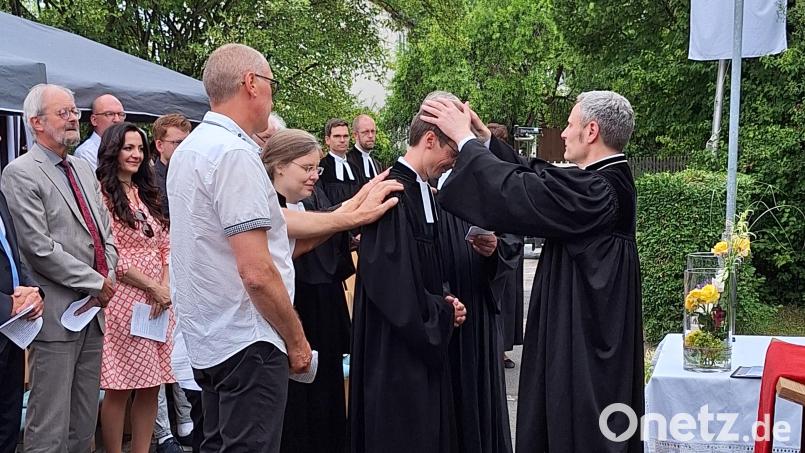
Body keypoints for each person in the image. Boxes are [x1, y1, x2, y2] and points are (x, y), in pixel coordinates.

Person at [168, 43, 400, 453]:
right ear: (251, 83)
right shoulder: (235, 154)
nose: (273, 94)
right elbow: (256, 271)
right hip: (247, 341)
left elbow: (280, 233)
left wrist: (350, 211)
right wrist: (296, 340)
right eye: (271, 84)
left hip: (209, 340)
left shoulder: (191, 150)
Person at [422, 90, 644, 452]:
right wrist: (485, 141)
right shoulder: (601, 180)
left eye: (569, 125)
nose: (563, 134)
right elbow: (540, 179)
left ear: (591, 131)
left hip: (586, 342)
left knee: (581, 427)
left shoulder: (600, 189)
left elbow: (520, 192)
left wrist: (464, 141)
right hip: (581, 328)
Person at [1, 83, 118, 453]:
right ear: (35, 122)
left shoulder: (83, 168)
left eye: (74, 111)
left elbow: (105, 231)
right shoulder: (21, 173)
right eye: (63, 112)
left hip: (92, 312)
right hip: (54, 315)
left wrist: (109, 274)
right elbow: (37, 248)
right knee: (49, 426)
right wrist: (97, 281)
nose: (73, 119)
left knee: (84, 423)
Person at [350, 91, 468, 453]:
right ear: (430, 139)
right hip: (397, 350)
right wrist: (441, 313)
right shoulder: (393, 194)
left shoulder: (423, 191)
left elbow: (425, 269)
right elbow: (392, 287)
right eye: (451, 153)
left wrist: (445, 300)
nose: (452, 163)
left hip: (422, 339)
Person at [261, 129, 352, 453]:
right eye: (308, 168)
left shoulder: (309, 197)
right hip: (294, 309)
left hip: (320, 301)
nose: (315, 176)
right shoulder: (268, 206)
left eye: (318, 169)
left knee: (324, 394)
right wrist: (355, 211)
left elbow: (325, 228)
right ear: (280, 166)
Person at [95, 122, 175, 453]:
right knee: (120, 387)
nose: (136, 155)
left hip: (158, 301)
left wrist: (165, 286)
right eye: (128, 148)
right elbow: (108, 252)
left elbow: (165, 244)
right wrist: (151, 287)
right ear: (114, 150)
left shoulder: (145, 193)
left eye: (140, 149)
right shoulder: (102, 196)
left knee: (152, 385)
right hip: (124, 299)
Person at [432, 173, 513, 453]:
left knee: (481, 395)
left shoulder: (487, 191)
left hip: (479, 309)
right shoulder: (422, 194)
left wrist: (495, 250)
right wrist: (440, 295)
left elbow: (510, 243)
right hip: (444, 311)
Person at [0, 185, 45, 453]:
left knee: (7, 426)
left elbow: (13, 256)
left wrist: (34, 292)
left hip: (12, 334)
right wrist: (8, 304)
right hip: (8, 314)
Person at [486, 123, 524, 369]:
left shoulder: (509, 168)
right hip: (495, 238)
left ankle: (502, 348)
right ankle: (496, 347)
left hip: (510, 237)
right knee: (497, 297)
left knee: (508, 298)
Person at [152, 113, 191, 218]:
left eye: (188, 142)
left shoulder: (194, 176)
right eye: (178, 143)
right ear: (160, 145)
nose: (185, 148)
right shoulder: (150, 182)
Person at [74, 94, 126, 169]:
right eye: (110, 114)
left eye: (121, 114)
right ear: (94, 120)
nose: (117, 120)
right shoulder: (86, 153)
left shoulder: (128, 148)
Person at [318, 118, 360, 205]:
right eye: (337, 136)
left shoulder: (356, 168)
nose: (342, 140)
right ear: (327, 140)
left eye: (345, 136)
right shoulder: (321, 166)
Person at [347, 114, 383, 187]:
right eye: (365, 132)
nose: (370, 135)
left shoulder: (377, 165)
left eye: (373, 131)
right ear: (355, 135)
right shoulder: (347, 162)